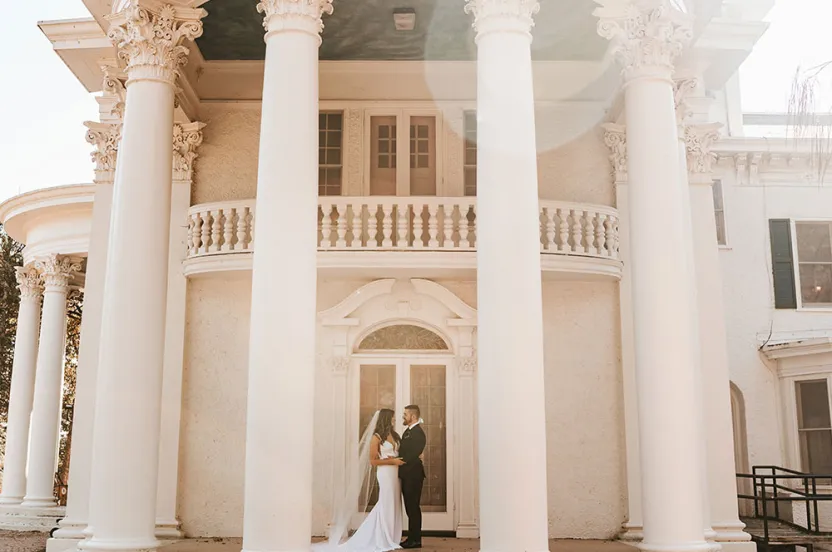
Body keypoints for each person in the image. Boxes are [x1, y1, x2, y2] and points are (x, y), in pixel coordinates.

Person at [320, 409, 406, 552]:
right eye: (392, 418)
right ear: (385, 419)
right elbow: (373, 461)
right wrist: (392, 461)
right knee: (386, 502)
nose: (394, 420)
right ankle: (382, 536)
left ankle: (392, 535)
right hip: (385, 473)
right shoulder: (376, 437)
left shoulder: (395, 435)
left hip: (396, 474)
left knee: (395, 503)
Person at [399, 405, 426, 549]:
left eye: (405, 414)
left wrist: (397, 460)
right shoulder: (409, 431)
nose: (403, 416)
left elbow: (412, 454)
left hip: (413, 475)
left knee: (413, 507)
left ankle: (415, 539)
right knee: (410, 507)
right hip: (408, 474)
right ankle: (413, 537)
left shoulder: (418, 433)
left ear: (413, 417)